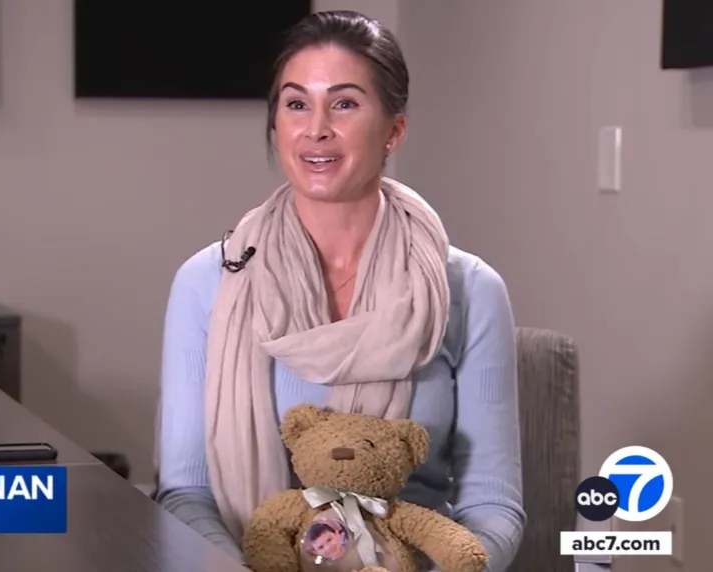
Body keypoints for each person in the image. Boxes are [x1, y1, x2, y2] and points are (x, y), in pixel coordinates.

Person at [153, 10, 525, 572]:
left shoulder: (470, 289)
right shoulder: (208, 283)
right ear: (276, 123)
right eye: (296, 103)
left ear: (394, 130)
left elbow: (493, 504)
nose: (315, 128)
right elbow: (186, 494)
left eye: (345, 103)